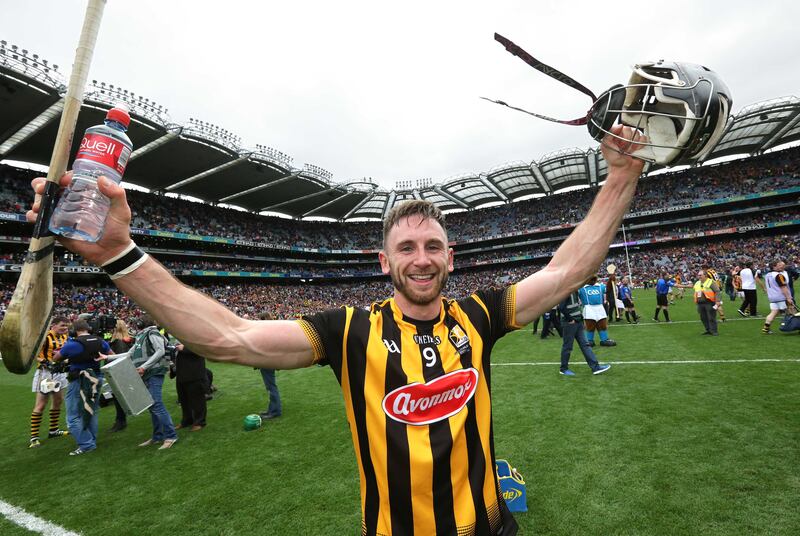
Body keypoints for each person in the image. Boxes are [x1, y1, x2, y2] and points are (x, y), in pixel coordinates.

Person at [28, 124, 644, 535]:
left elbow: (567, 271)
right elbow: (230, 337)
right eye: (407, 247)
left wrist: (621, 176)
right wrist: (117, 254)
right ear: (385, 261)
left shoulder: (480, 315)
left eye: (434, 245)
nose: (422, 257)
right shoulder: (347, 330)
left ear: (451, 257)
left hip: (489, 524)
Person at [53, 319, 111, 455]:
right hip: (96, 378)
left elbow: (56, 358)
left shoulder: (71, 344)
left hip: (78, 380)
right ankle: (91, 440)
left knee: (73, 416)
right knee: (92, 410)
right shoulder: (100, 341)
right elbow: (111, 356)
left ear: (74, 331)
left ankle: (86, 444)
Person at [130, 315, 178, 449]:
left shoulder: (152, 332)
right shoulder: (141, 336)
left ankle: (171, 436)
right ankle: (158, 436)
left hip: (154, 372)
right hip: (146, 373)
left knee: (156, 404)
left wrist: (144, 366)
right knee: (152, 405)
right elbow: (129, 353)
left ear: (140, 324)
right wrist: (107, 356)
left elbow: (160, 351)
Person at [28, 316, 70, 449]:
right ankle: (34, 437)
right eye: (62, 325)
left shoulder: (64, 336)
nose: (65, 328)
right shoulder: (45, 336)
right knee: (41, 405)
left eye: (67, 326)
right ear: (54, 325)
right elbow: (33, 353)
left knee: (58, 401)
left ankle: (53, 431)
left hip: (59, 373)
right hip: (46, 374)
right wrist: (45, 362)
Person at [557, 290, 612, 376]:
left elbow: (576, 306)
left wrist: (580, 319)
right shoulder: (566, 291)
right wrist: (570, 319)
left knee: (585, 345)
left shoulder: (575, 290)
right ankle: (563, 369)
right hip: (570, 323)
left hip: (578, 321)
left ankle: (595, 367)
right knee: (567, 347)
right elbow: (561, 307)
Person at [170, 342, 208, 430]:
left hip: (194, 373)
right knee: (183, 400)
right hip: (182, 374)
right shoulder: (180, 335)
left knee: (197, 399)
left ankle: (199, 422)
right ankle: (187, 421)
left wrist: (184, 348)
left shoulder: (195, 335)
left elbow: (202, 348)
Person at [108, 319, 134, 432]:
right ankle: (120, 419)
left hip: (118, 371)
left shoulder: (119, 341)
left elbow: (120, 358)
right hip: (122, 371)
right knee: (118, 396)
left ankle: (120, 421)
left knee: (118, 396)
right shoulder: (123, 340)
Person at [257, 312, 281, 420]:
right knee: (271, 386)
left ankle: (275, 411)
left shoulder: (266, 331)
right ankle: (272, 409)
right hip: (269, 360)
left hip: (267, 361)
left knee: (271, 387)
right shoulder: (272, 329)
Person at [579, 276, 616, 347]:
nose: (592, 280)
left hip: (600, 308)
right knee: (590, 325)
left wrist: (611, 280)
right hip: (589, 309)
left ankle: (604, 340)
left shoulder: (600, 286)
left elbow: (609, 289)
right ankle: (590, 340)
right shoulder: (582, 288)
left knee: (602, 325)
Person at [686, 269, 722, 336]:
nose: (699, 276)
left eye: (700, 275)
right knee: (703, 318)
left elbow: (717, 291)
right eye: (698, 275)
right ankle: (708, 330)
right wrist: (678, 285)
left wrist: (717, 301)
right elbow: (693, 287)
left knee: (711, 317)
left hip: (709, 302)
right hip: (700, 303)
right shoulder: (698, 282)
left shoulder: (710, 282)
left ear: (705, 275)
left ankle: (714, 331)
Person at [762, 260, 794, 334]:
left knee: (773, 312)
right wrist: (788, 297)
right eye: (778, 265)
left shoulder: (767, 275)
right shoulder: (779, 275)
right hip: (781, 297)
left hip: (772, 297)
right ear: (774, 267)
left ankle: (766, 328)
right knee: (792, 310)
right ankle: (794, 326)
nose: (780, 266)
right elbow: (783, 287)